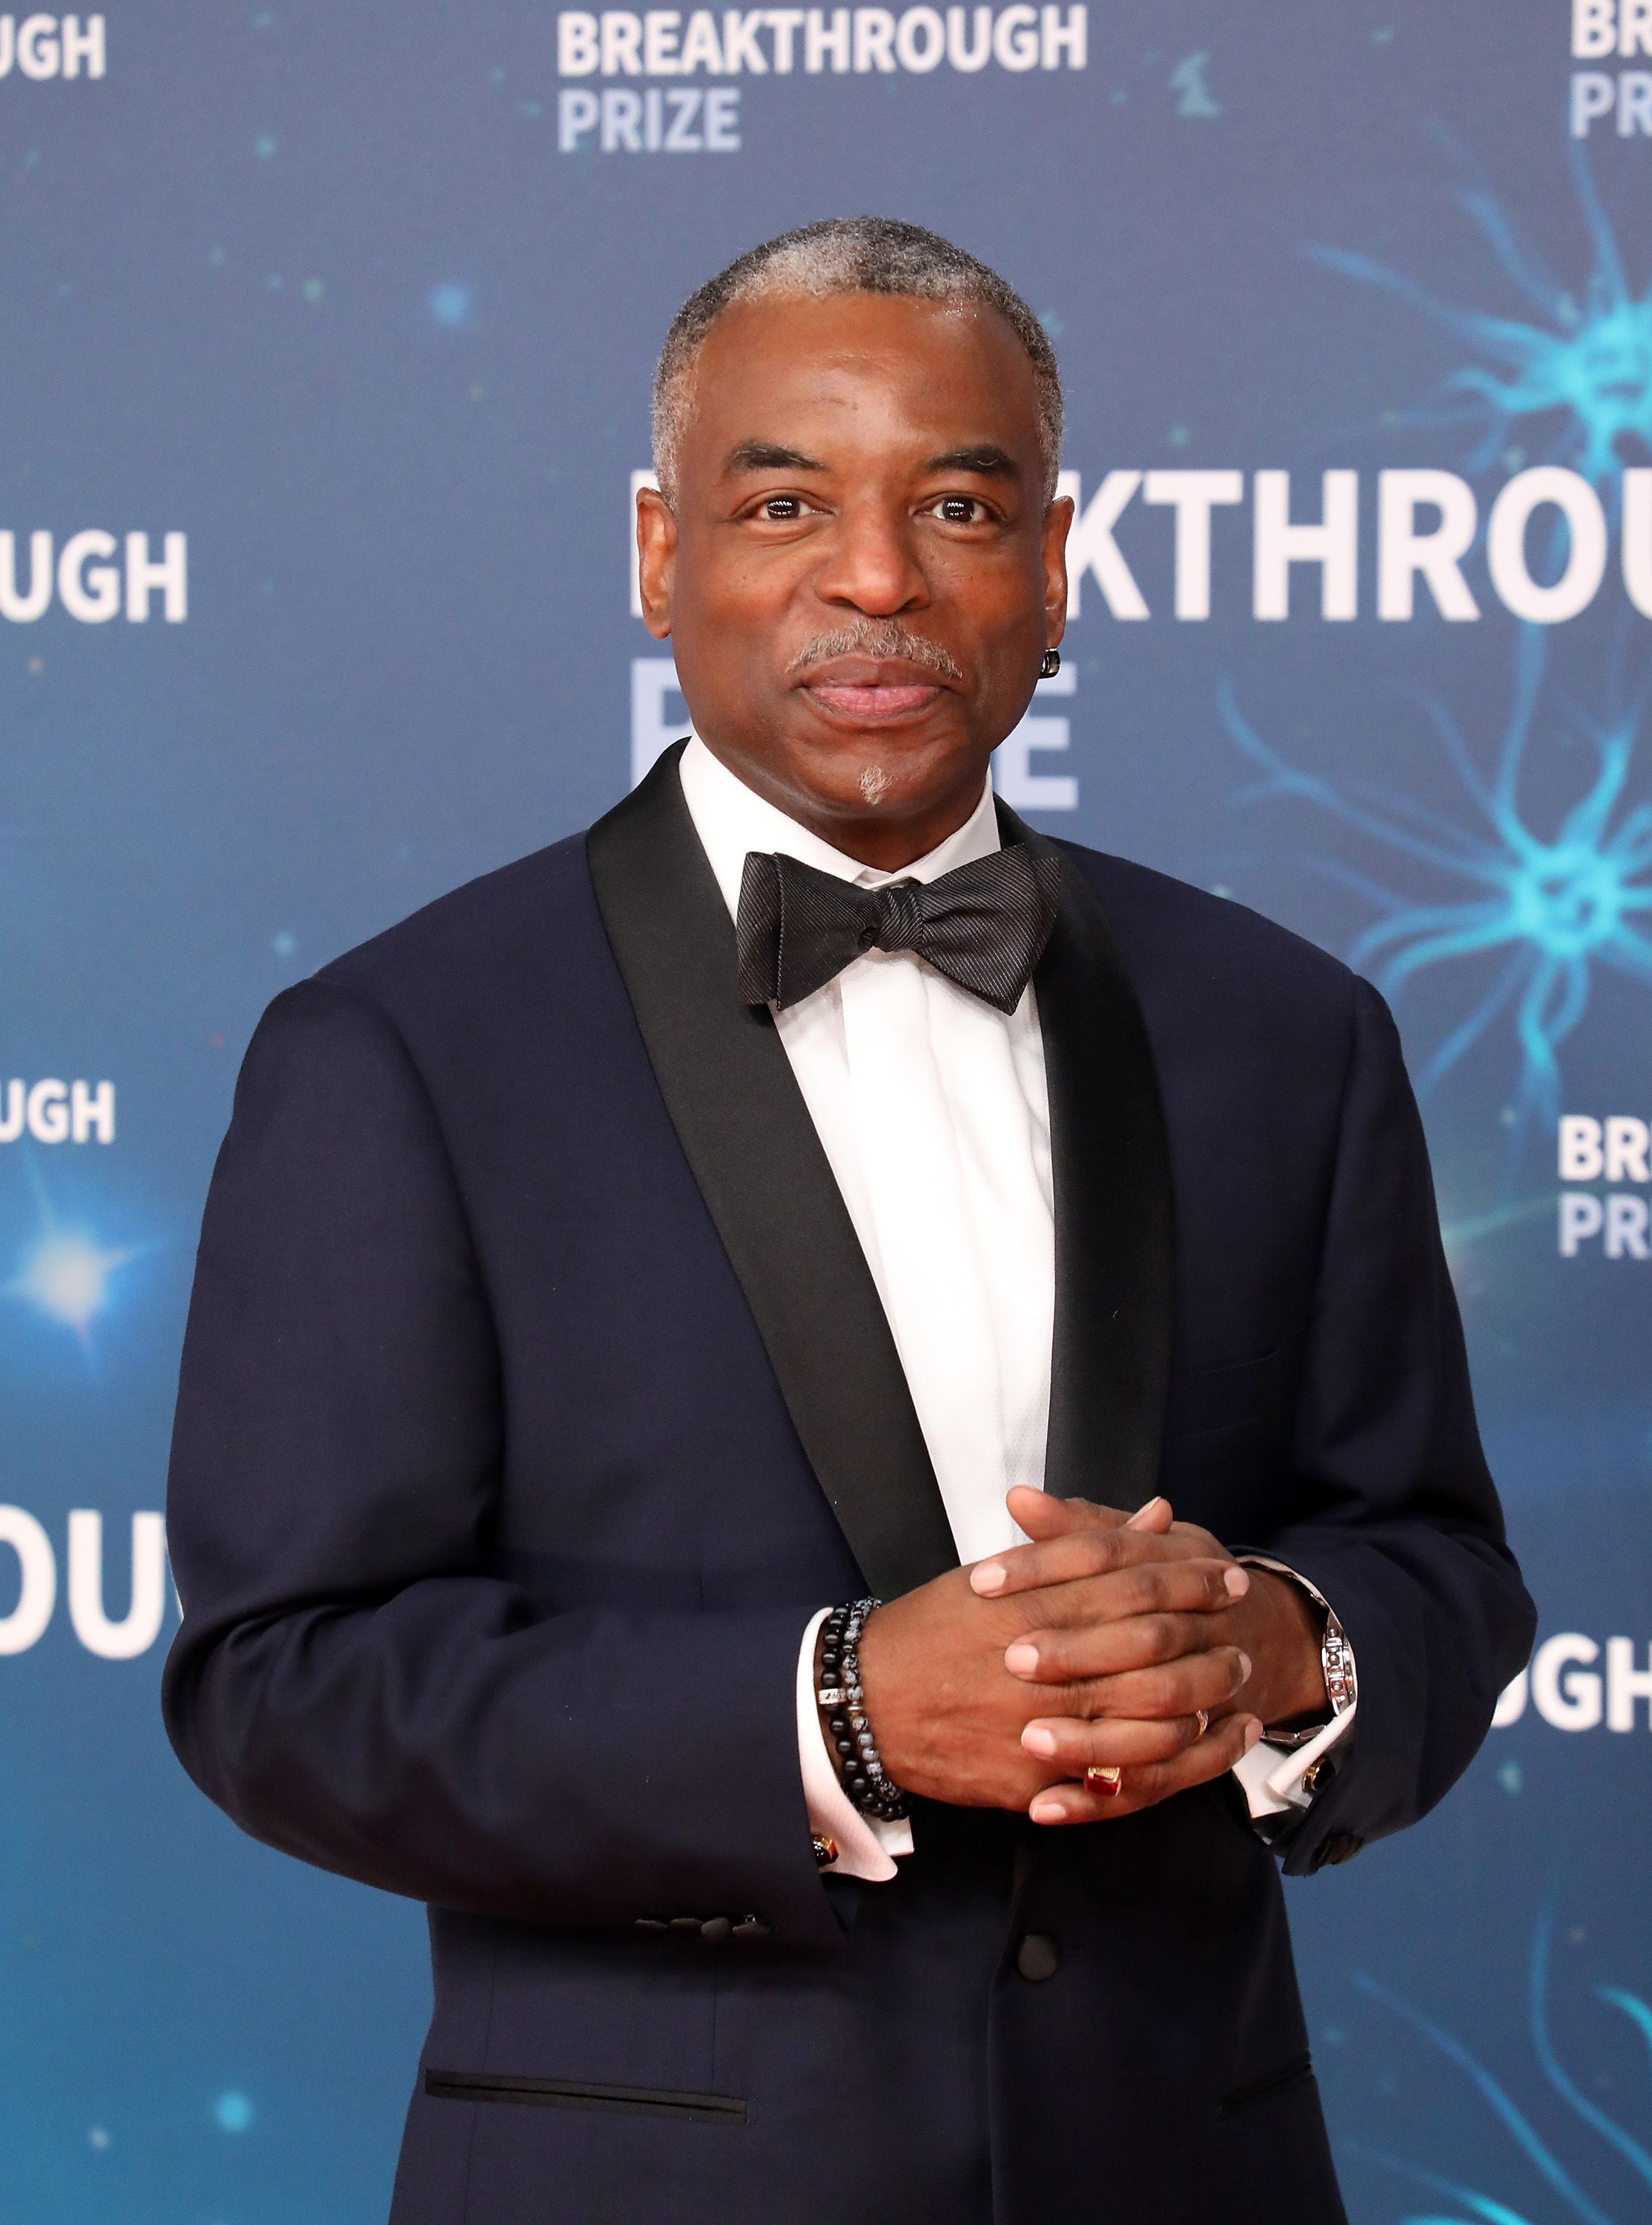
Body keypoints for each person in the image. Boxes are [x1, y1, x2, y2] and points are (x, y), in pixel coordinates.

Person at [162, 217, 1536, 2225]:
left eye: (958, 505)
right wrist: (834, 1714)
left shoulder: (1289, 1032)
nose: (876, 579)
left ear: (1055, 567)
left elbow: (1439, 1569)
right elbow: (283, 1684)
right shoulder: (399, 1049)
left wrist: (1270, 1653)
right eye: (785, 498)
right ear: (657, 555)